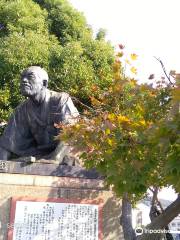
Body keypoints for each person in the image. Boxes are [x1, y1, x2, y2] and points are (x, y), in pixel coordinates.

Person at [0, 66, 79, 161]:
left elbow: (72, 132)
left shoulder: (60, 100)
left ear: (44, 83)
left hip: (68, 152)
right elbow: (7, 144)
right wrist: (3, 166)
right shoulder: (20, 110)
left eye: (30, 77)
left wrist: (55, 158)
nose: (24, 80)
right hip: (41, 155)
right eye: (22, 77)